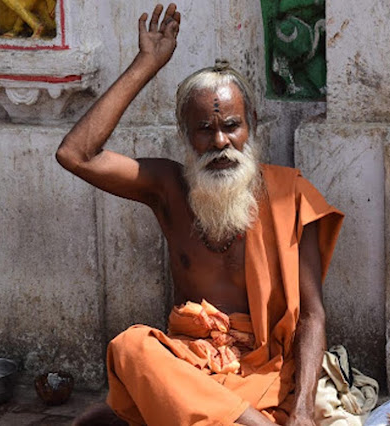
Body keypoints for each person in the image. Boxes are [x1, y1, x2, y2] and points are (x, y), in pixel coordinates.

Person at [56, 4, 343, 425]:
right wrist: (147, 63)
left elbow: (313, 314)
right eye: (205, 130)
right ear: (186, 135)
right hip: (189, 369)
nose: (221, 141)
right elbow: (75, 154)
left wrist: (301, 412)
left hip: (261, 371)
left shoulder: (288, 196)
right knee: (130, 348)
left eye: (231, 126)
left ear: (251, 126)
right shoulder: (169, 188)